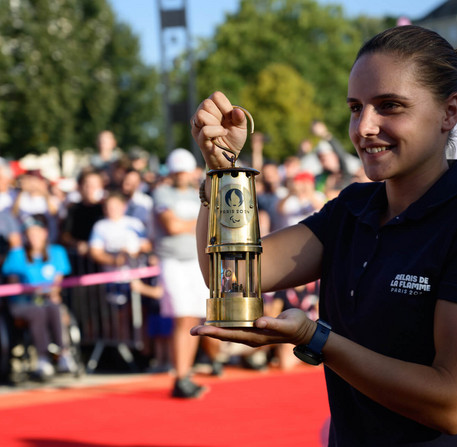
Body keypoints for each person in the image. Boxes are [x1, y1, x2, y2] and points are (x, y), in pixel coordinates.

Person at [190, 25, 457, 445]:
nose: (364, 126)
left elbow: (450, 404)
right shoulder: (351, 209)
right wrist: (222, 173)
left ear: (450, 112)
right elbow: (230, 278)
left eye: (389, 106)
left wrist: (316, 340)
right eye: (355, 107)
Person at [153, 148, 220, 398]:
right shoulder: (162, 192)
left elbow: (212, 222)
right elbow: (171, 225)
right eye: (178, 171)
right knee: (183, 318)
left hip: (196, 260)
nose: (182, 175)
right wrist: (200, 224)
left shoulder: (198, 194)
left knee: (195, 319)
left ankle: (185, 375)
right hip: (173, 261)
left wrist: (190, 225)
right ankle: (180, 376)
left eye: (185, 171)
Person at [2, 214, 75, 379]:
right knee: (38, 311)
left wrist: (48, 292)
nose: (33, 237)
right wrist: (34, 291)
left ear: (45, 233)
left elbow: (57, 285)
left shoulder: (56, 252)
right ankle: (42, 358)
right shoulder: (17, 255)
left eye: (37, 232)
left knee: (53, 307)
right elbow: (15, 285)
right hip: (23, 303)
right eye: (30, 233)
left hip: (48, 302)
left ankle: (63, 353)